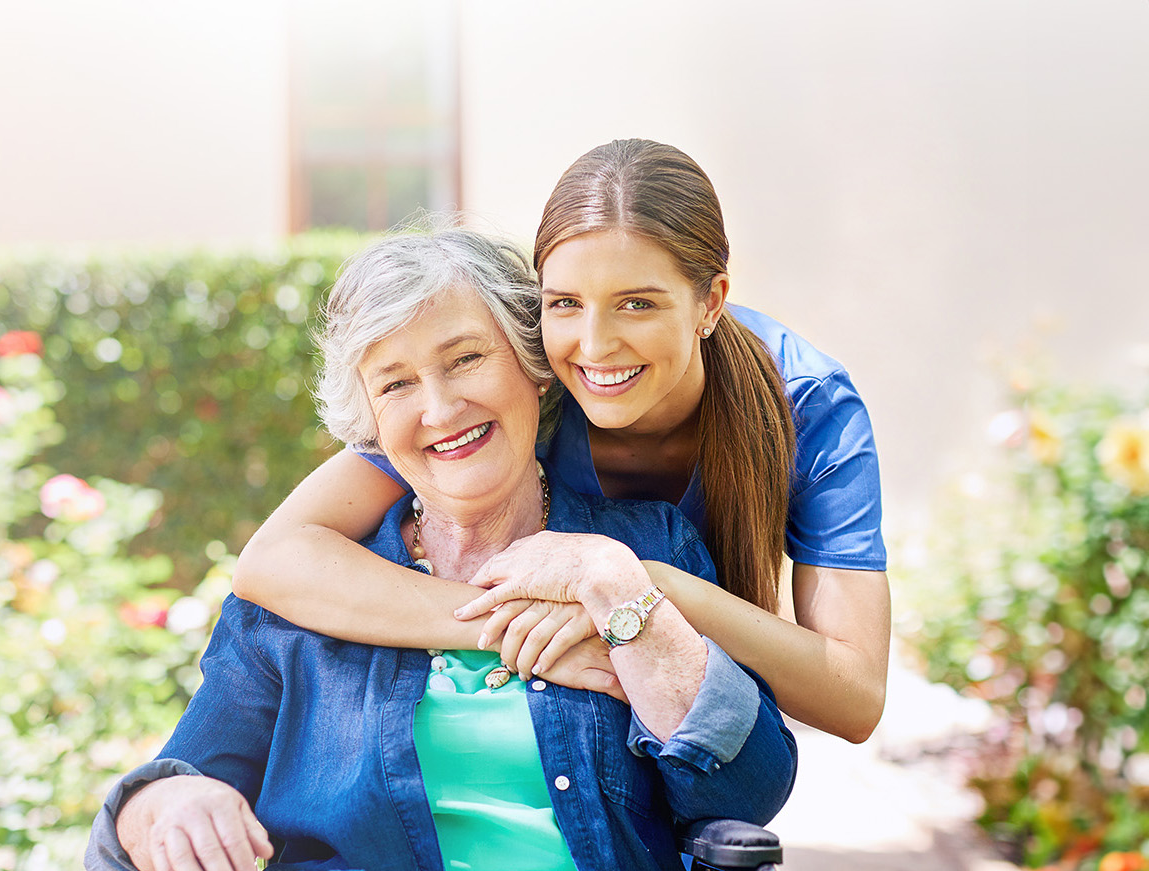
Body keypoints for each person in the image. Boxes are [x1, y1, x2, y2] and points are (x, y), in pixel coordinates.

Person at [85, 229, 796, 871]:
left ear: (533, 367)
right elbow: (170, 783)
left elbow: (745, 790)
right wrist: (169, 804)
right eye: (394, 384)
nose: (439, 407)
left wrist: (627, 604)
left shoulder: (641, 548)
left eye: (466, 359)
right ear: (370, 421)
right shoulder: (309, 589)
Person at [231, 139, 890, 744]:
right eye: (566, 303)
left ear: (710, 302)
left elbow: (855, 698)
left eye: (638, 303)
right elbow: (274, 559)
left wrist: (638, 588)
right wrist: (499, 624)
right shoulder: (525, 377)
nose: (595, 345)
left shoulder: (807, 402)